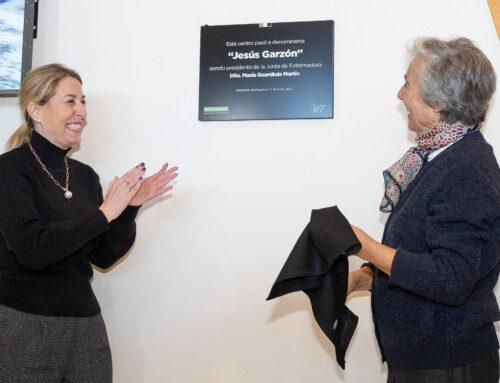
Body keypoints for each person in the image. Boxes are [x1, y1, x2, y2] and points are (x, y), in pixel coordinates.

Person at [0, 63, 178, 382]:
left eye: (83, 101)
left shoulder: (84, 176)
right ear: (36, 111)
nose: (81, 111)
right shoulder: (11, 170)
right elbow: (33, 249)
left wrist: (128, 209)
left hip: (86, 322)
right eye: (70, 101)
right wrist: (105, 212)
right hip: (24, 324)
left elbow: (103, 257)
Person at [348, 37, 500, 383]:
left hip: (447, 368)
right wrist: (362, 278)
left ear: (439, 103)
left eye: (407, 84)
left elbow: (449, 278)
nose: (400, 95)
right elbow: (422, 258)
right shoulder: (441, 157)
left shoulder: (467, 167)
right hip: (426, 364)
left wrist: (366, 246)